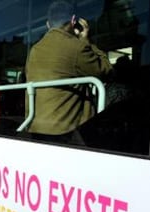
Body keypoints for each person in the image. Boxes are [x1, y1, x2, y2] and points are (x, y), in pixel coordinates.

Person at [25, 0, 113, 143]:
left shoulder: (34, 50)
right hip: (66, 133)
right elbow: (107, 70)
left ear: (48, 24)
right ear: (73, 20)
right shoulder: (77, 47)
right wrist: (86, 40)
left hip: (36, 127)